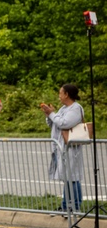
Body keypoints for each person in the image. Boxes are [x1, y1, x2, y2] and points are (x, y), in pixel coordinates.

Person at [41, 83, 86, 213]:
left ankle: (74, 205)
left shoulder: (76, 108)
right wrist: (48, 115)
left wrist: (52, 114)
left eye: (61, 93)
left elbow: (64, 123)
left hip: (71, 147)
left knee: (72, 177)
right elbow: (54, 124)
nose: (59, 95)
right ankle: (66, 205)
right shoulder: (63, 108)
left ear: (66, 94)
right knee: (67, 177)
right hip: (61, 147)